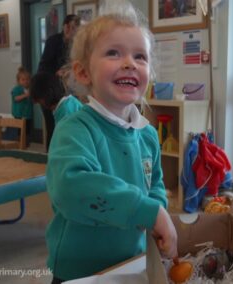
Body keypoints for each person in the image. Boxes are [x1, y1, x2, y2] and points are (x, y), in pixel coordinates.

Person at [45, 5, 178, 283]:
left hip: (131, 262)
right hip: (78, 271)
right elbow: (71, 188)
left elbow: (153, 186)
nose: (129, 62)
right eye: (113, 53)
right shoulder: (75, 129)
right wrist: (147, 211)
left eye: (139, 56)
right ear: (83, 73)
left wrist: (158, 211)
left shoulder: (147, 134)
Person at [37, 14, 81, 151]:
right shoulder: (53, 41)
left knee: (71, 129)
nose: (74, 32)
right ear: (66, 27)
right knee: (54, 129)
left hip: (68, 93)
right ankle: (50, 161)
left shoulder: (76, 44)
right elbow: (43, 69)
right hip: (50, 93)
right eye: (73, 28)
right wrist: (57, 73)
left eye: (77, 29)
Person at [11, 66, 33, 145]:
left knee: (27, 129)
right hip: (19, 113)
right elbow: (16, 98)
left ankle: (26, 143)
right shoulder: (17, 89)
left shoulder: (30, 89)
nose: (26, 81)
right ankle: (19, 142)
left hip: (27, 113)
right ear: (18, 81)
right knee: (20, 129)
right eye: (23, 80)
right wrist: (25, 95)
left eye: (27, 79)